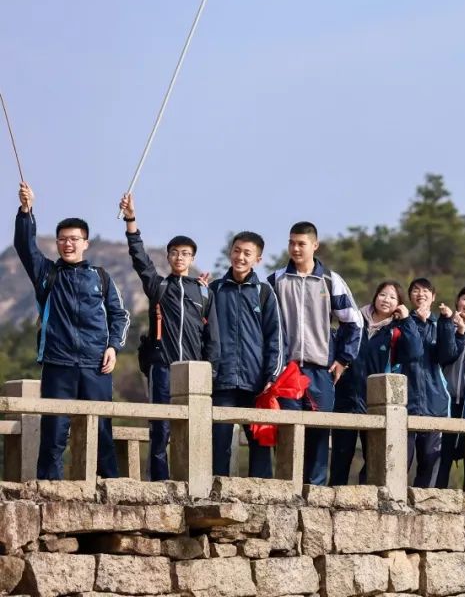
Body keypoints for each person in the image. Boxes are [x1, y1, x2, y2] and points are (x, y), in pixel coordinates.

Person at [15, 181, 129, 479]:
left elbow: (120, 315)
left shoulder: (101, 278)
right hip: (58, 363)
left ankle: (109, 489)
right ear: (57, 243)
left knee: (102, 430)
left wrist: (113, 347)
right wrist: (26, 211)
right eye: (63, 239)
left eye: (74, 239)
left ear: (85, 243)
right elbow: (25, 247)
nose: (68, 244)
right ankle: (48, 490)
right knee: (54, 432)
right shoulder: (47, 274)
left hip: (96, 366)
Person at [119, 193, 219, 481]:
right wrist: (130, 219)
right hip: (162, 367)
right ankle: (160, 484)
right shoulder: (158, 285)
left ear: (193, 258)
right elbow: (139, 258)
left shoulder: (203, 291)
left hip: (193, 370)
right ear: (168, 256)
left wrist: (210, 369)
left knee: (193, 429)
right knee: (160, 427)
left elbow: (212, 336)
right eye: (175, 252)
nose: (179, 257)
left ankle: (192, 482)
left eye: (185, 253)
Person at [268, 221, 361, 486]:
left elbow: (353, 321)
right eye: (291, 243)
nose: (295, 249)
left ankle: (316, 488)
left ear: (314, 245)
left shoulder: (330, 280)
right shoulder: (276, 280)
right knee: (287, 431)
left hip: (321, 369)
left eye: (301, 244)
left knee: (319, 432)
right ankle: (287, 485)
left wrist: (343, 359)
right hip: (287, 369)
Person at [208, 231, 283, 478]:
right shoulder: (214, 290)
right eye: (237, 251)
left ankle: (262, 496)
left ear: (257, 259)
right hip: (222, 381)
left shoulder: (264, 292)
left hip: (257, 383)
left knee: (260, 443)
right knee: (218, 443)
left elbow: (276, 337)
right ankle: (215, 492)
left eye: (247, 253)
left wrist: (271, 375)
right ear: (230, 252)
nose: (240, 257)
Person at [330, 281, 420, 485]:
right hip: (347, 398)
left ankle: (369, 501)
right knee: (341, 456)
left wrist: (406, 320)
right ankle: (334, 498)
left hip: (376, 404)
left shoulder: (396, 330)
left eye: (392, 297)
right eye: (382, 294)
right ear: (375, 296)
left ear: (399, 304)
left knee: (374, 457)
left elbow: (415, 353)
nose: (386, 300)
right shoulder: (355, 321)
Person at [404, 278, 457, 487]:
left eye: (426, 291)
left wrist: (445, 322)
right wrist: (415, 321)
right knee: (400, 461)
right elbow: (412, 351)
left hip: (434, 403)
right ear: (410, 296)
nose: (421, 294)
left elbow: (447, 355)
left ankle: (423, 501)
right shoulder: (402, 322)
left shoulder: (440, 325)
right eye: (415, 290)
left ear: (433, 297)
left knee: (429, 459)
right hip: (406, 401)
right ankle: (394, 501)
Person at [436, 285, 465, 488]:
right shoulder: (445, 325)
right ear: (457, 300)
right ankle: (436, 497)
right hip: (445, 398)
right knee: (441, 454)